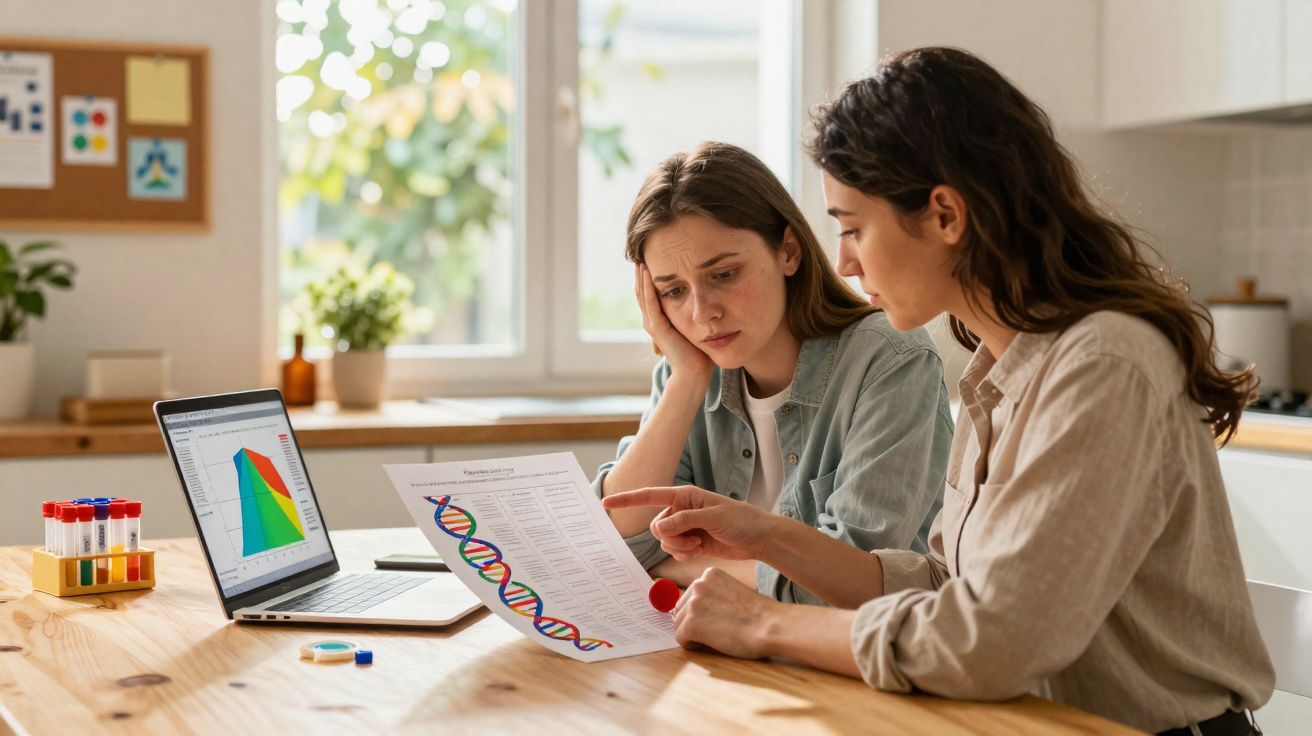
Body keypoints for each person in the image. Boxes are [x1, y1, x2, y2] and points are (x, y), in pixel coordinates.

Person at [602, 48, 1274, 735]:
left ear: (945, 215)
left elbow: (989, 642)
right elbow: (939, 585)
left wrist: (769, 623)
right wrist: (762, 534)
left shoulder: (1102, 364)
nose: (844, 261)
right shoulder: (995, 369)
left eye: (854, 227)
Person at [594, 141, 952, 604]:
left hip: (847, 667)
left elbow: (853, 581)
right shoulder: (687, 373)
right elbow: (611, 543)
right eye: (674, 290)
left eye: (723, 274)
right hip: (728, 654)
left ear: (788, 251)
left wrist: (678, 567)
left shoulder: (890, 361)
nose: (703, 314)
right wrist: (686, 381)